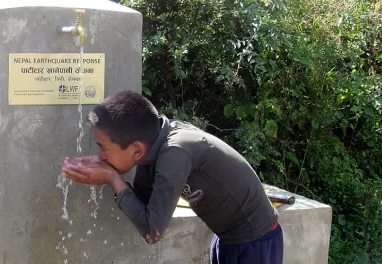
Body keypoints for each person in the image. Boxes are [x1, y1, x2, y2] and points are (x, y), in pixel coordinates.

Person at [61, 91, 283, 264]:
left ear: (136, 150)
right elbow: (143, 206)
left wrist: (112, 178)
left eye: (103, 148)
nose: (100, 156)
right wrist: (110, 171)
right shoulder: (154, 146)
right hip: (228, 238)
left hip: (255, 241)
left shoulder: (176, 152)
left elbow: (151, 231)